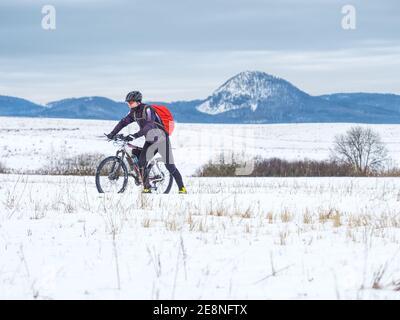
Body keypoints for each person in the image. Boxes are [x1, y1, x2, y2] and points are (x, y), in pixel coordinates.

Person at [106, 91, 187, 194]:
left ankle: (182, 188)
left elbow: (149, 126)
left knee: (170, 166)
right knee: (141, 162)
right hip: (150, 141)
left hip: (162, 140)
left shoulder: (147, 109)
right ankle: (147, 188)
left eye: (131, 102)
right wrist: (112, 134)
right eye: (128, 102)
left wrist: (134, 135)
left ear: (138, 102)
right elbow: (123, 122)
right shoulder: (133, 113)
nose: (129, 104)